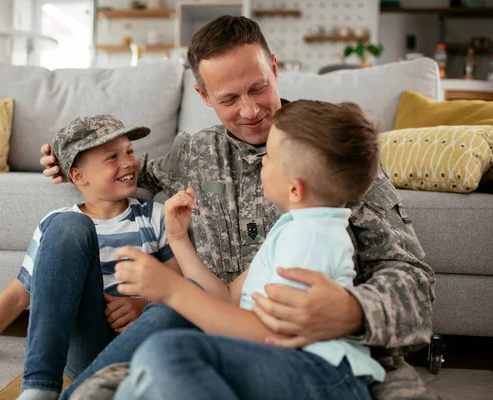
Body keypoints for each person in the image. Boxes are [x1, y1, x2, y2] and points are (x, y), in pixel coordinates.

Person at [40, 16, 437, 399]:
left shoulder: (330, 151)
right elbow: (136, 170)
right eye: (229, 98)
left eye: (258, 88)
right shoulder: (195, 153)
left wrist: (354, 311)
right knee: (155, 336)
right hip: (205, 339)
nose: (250, 111)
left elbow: (414, 281)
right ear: (204, 96)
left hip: (316, 355)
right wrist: (75, 160)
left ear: (275, 68)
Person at [112, 99, 385, 399]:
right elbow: (229, 298)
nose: (260, 160)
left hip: (323, 376)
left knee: (168, 352)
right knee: (136, 385)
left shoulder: (312, 238)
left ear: (295, 188)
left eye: (270, 155)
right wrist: (179, 240)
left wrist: (172, 290)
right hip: (292, 369)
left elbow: (272, 333)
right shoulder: (296, 227)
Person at [0, 115, 181, 400]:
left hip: (143, 345)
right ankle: (39, 389)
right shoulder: (58, 225)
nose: (128, 163)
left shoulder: (153, 217)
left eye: (129, 152)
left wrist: (144, 305)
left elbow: (182, 287)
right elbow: (18, 295)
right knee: (69, 224)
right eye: (112, 157)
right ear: (78, 176)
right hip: (88, 350)